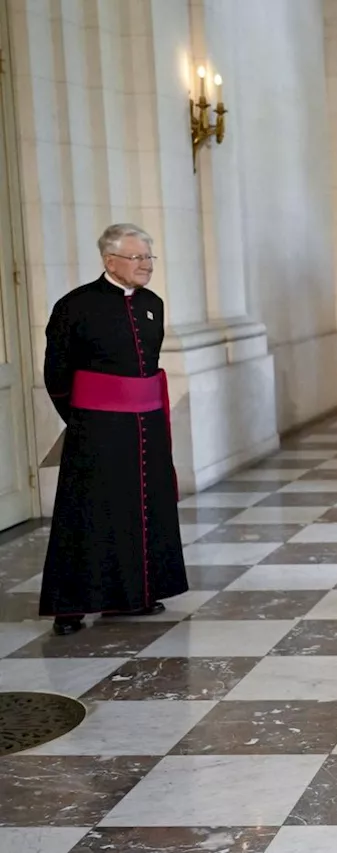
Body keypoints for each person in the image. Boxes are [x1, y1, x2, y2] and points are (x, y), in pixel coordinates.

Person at [39, 223, 188, 636]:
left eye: (149, 258)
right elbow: (57, 374)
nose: (146, 266)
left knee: (142, 507)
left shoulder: (152, 303)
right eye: (138, 258)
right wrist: (85, 419)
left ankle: (134, 594)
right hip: (97, 427)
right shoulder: (76, 306)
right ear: (110, 261)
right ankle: (70, 607)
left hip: (147, 425)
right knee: (88, 514)